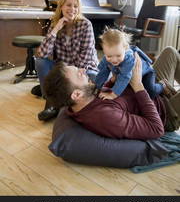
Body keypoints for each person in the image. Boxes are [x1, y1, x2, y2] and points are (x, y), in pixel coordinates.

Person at [44, 46, 180, 140]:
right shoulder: (104, 117)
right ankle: (170, 93)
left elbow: (112, 96)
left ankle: (166, 89)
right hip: (165, 111)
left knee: (170, 52)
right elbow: (156, 129)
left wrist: (114, 80)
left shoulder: (87, 94)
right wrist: (138, 86)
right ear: (76, 95)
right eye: (79, 74)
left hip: (150, 88)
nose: (83, 70)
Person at [32, 0, 99, 121]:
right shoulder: (55, 24)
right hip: (63, 68)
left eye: (75, 6)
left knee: (95, 78)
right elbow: (43, 53)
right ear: (61, 6)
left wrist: (69, 75)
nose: (72, 9)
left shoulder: (86, 25)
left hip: (83, 69)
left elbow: (85, 56)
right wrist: (56, 29)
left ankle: (60, 98)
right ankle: (51, 102)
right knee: (40, 62)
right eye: (68, 5)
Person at [95, 28, 174, 100]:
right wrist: (96, 87)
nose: (114, 60)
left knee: (150, 93)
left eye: (118, 55)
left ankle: (162, 85)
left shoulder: (129, 59)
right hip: (131, 76)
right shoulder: (107, 58)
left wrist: (113, 94)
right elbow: (102, 72)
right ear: (104, 52)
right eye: (109, 56)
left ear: (125, 49)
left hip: (146, 73)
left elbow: (124, 77)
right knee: (128, 92)